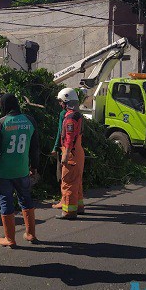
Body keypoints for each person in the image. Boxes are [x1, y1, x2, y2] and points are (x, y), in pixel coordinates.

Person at [0, 93, 40, 248]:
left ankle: (10, 238)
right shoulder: (30, 121)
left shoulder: (1, 123)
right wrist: (34, 167)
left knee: (6, 202)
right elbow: (35, 147)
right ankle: (31, 234)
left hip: (3, 173)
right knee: (26, 199)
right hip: (22, 170)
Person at [56, 87, 85, 220]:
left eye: (61, 101)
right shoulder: (78, 115)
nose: (60, 104)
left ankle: (69, 211)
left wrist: (65, 155)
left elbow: (69, 138)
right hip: (78, 152)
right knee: (77, 181)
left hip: (71, 153)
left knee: (68, 181)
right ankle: (79, 206)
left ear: (66, 100)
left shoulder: (70, 118)